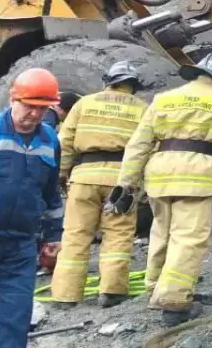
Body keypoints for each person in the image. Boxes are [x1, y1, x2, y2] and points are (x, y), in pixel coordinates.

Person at [110, 55, 212, 326]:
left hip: (160, 171)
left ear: (196, 73)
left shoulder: (163, 99)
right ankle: (174, 303)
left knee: (162, 232)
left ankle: (155, 290)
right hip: (197, 173)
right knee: (189, 237)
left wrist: (126, 182)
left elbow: (139, 143)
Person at [49, 62, 148, 308]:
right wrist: (143, 185)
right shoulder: (143, 109)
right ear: (133, 86)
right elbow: (149, 148)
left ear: (108, 81)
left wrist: (61, 176)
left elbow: (66, 143)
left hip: (84, 177)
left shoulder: (84, 103)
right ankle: (112, 293)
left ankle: (65, 295)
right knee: (118, 235)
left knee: (75, 235)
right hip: (122, 181)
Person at [0, 68, 64, 348]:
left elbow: (51, 193)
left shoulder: (50, 140)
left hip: (19, 245)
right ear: (12, 99)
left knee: (16, 318)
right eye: (29, 106)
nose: (35, 115)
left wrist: (54, 236)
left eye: (43, 109)